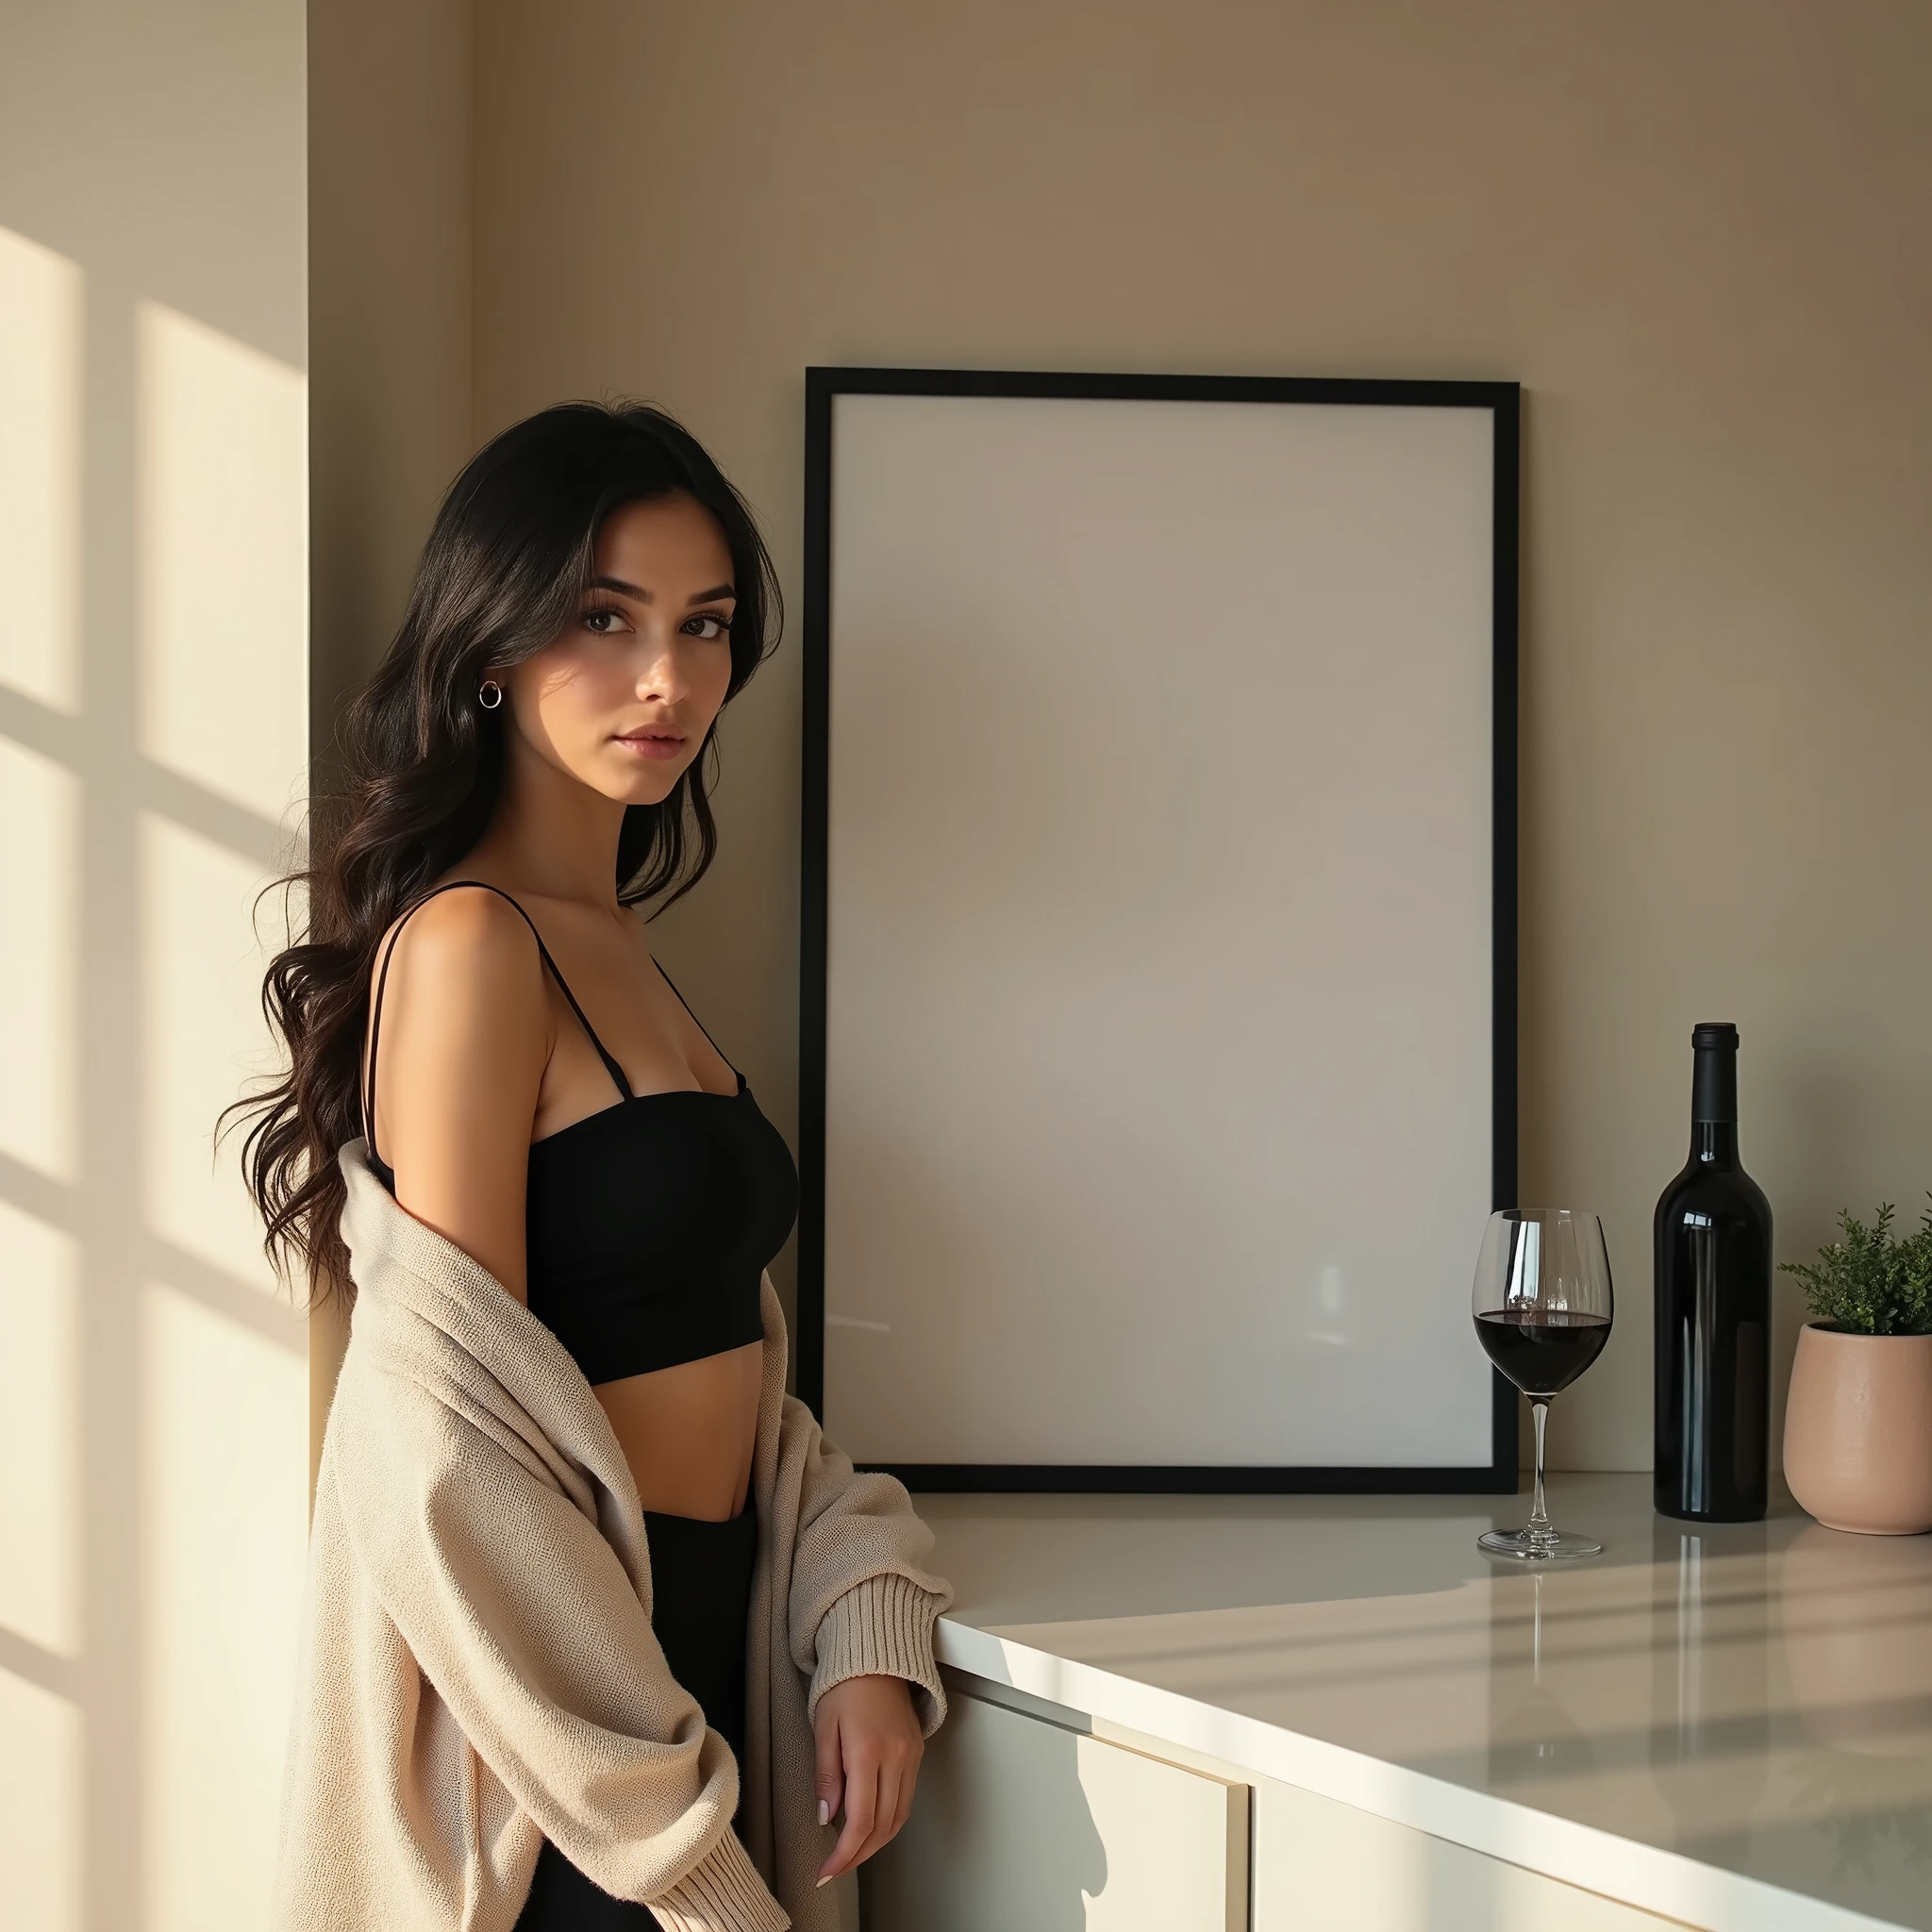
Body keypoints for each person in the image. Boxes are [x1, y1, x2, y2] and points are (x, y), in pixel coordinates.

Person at [238, 402, 950, 1931]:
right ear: (490, 645)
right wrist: (682, 1863)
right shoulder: (474, 945)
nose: (669, 678)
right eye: (604, 619)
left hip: (683, 1680)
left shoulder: (622, 948)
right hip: (554, 1767)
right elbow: (446, 1459)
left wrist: (865, 1614)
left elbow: (734, 1388)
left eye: (704, 628)